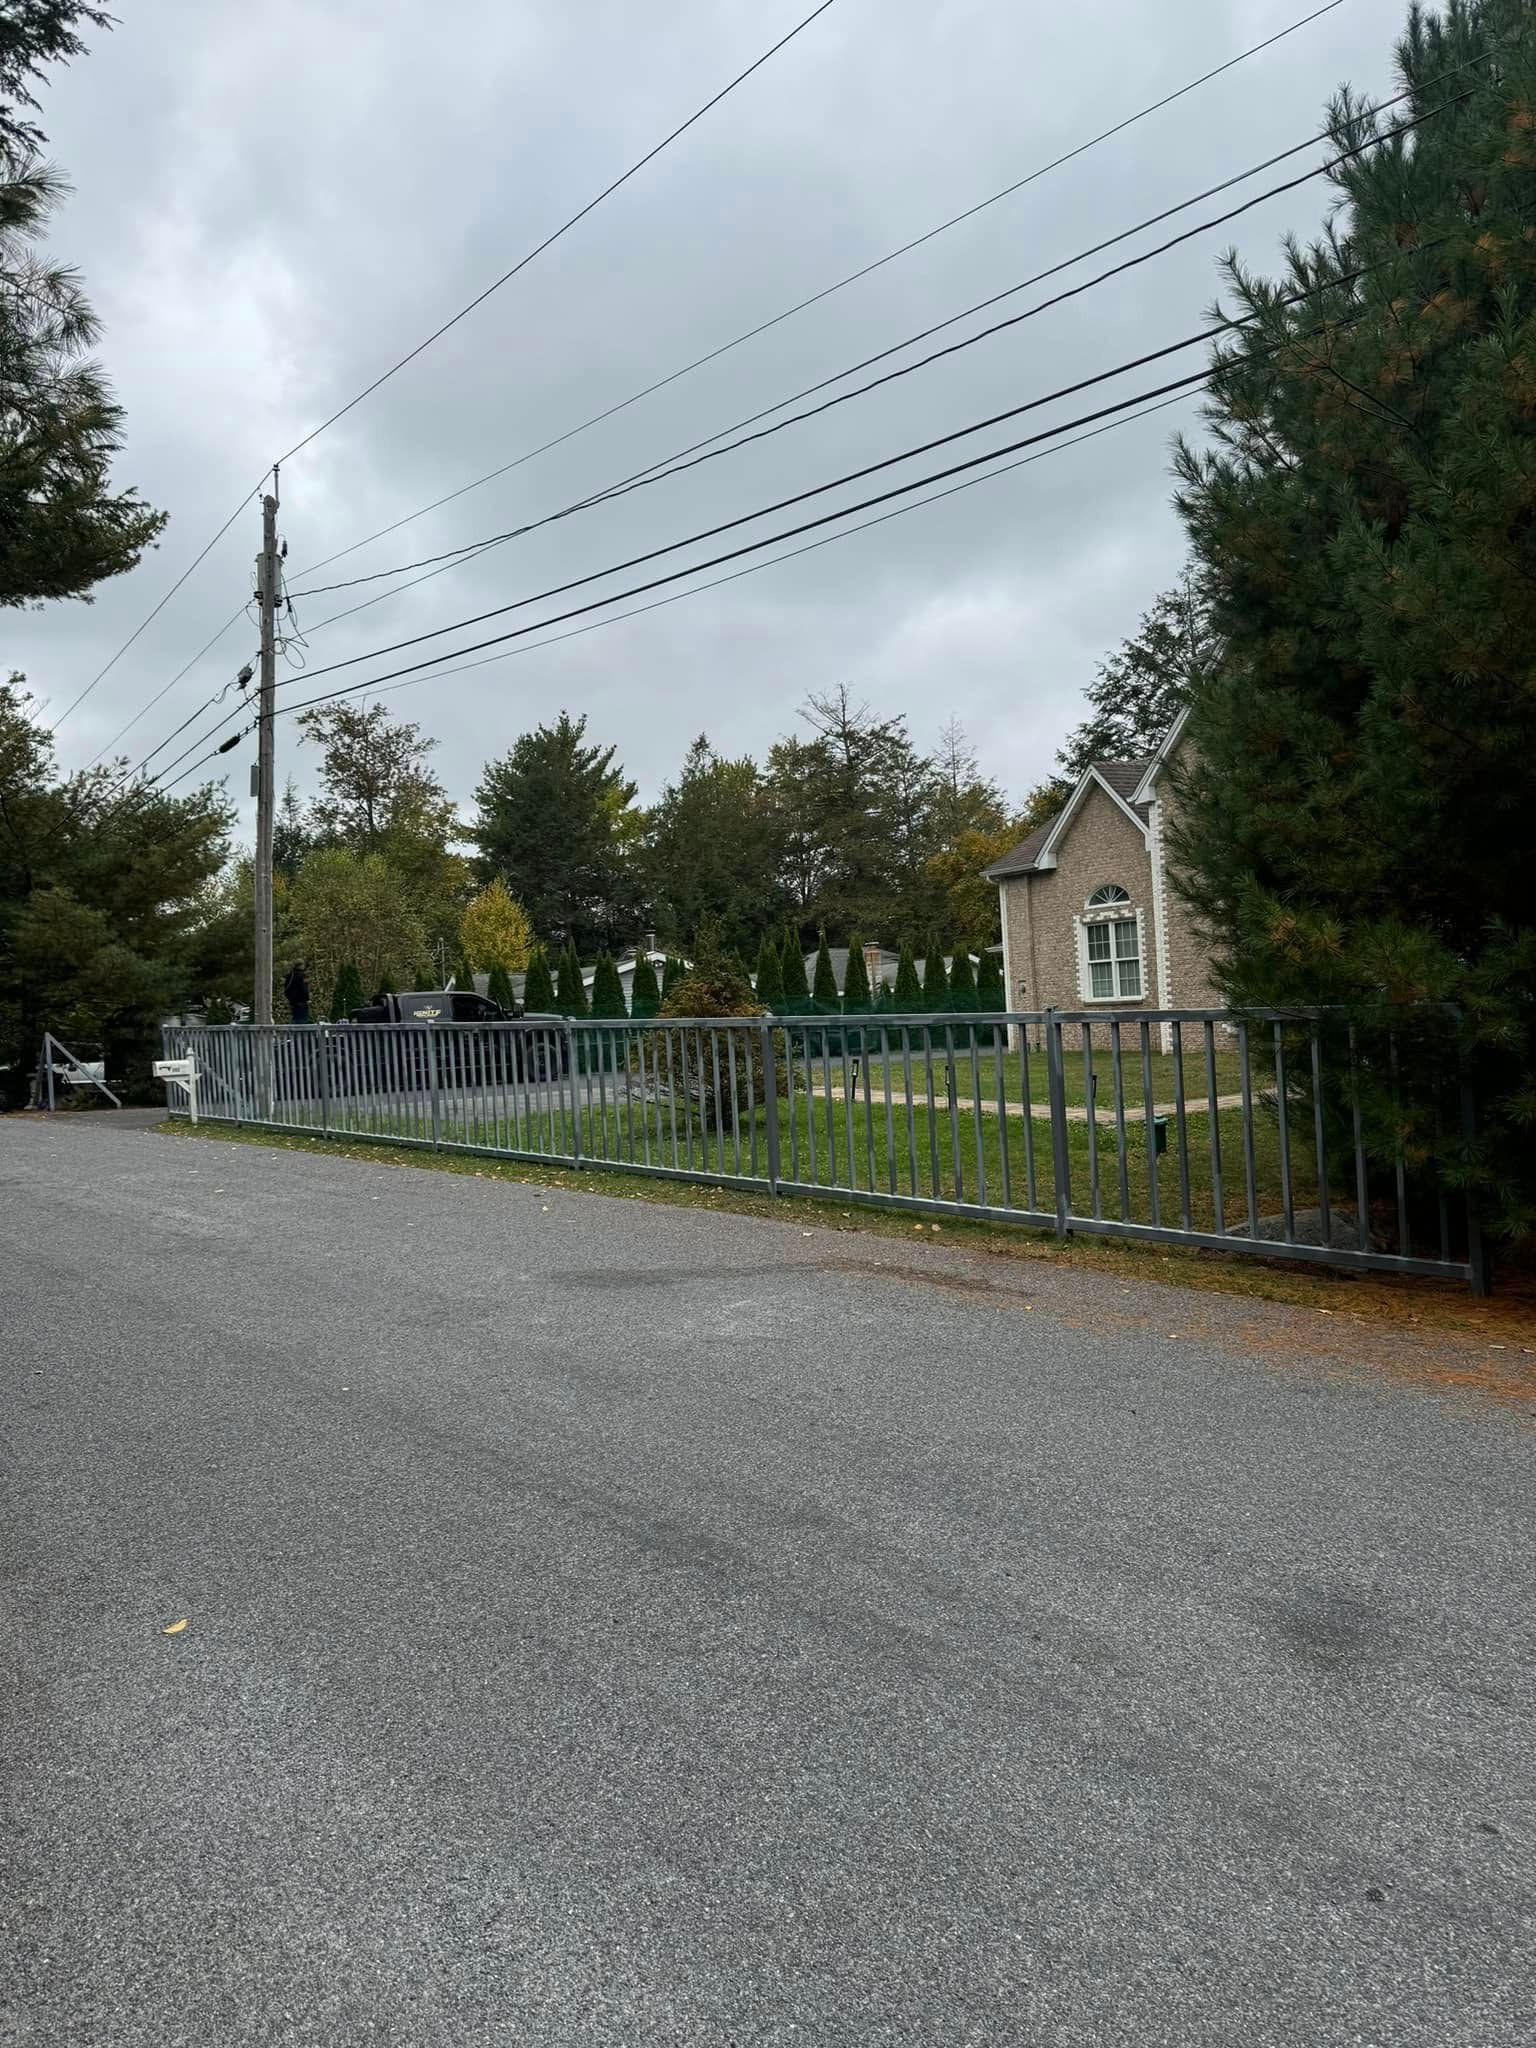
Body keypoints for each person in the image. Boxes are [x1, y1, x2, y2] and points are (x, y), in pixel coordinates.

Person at [283, 960, 311, 1025]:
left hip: (292, 1001)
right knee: (302, 1020)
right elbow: (304, 989)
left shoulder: (290, 975)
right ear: (301, 966)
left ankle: (295, 1034)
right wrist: (307, 999)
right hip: (301, 1001)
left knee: (295, 1019)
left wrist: (290, 998)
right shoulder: (302, 976)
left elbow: (286, 988)